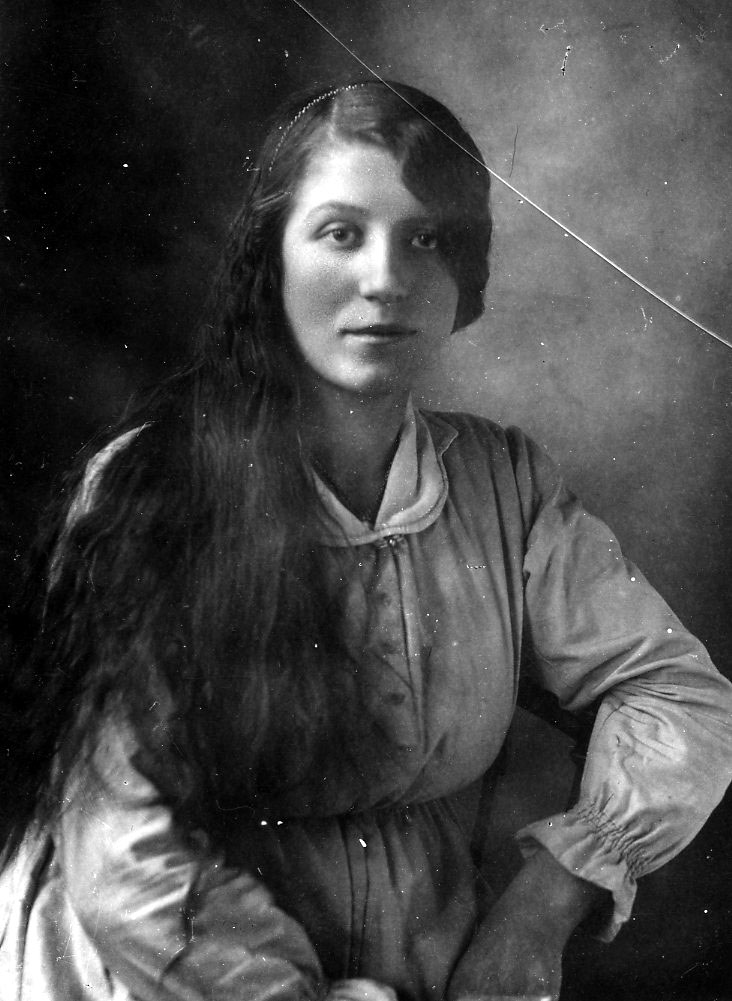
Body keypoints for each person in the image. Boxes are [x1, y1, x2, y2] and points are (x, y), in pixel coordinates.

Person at [1, 79, 730, 1001]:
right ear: (270, 259)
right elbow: (124, 852)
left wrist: (544, 901)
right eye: (341, 233)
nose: (386, 279)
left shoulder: (500, 483)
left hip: (420, 961)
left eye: (426, 238)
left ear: (466, 276)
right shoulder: (150, 487)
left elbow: (678, 693)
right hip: (168, 966)